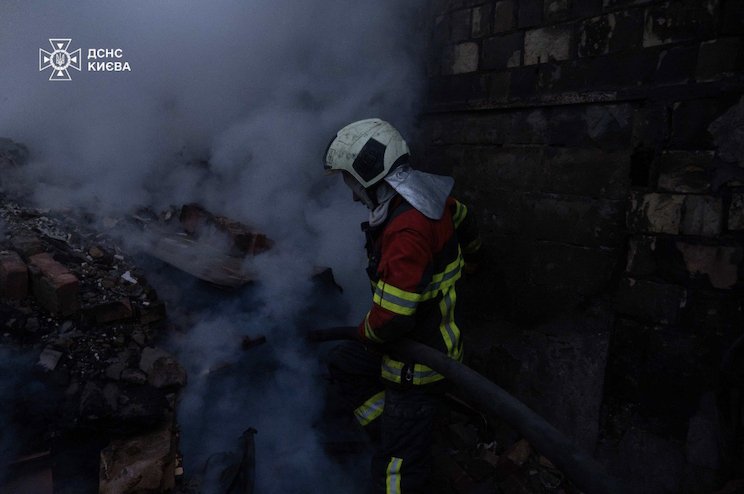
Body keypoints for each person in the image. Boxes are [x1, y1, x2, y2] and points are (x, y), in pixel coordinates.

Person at [323, 118, 480, 493]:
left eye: (352, 184)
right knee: (344, 363)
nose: (353, 197)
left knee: (394, 473)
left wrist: (365, 332)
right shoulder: (431, 197)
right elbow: (463, 217)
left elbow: (392, 318)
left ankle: (399, 447)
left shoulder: (406, 230)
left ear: (370, 174)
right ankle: (390, 432)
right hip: (413, 341)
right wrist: (473, 255)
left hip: (419, 362)